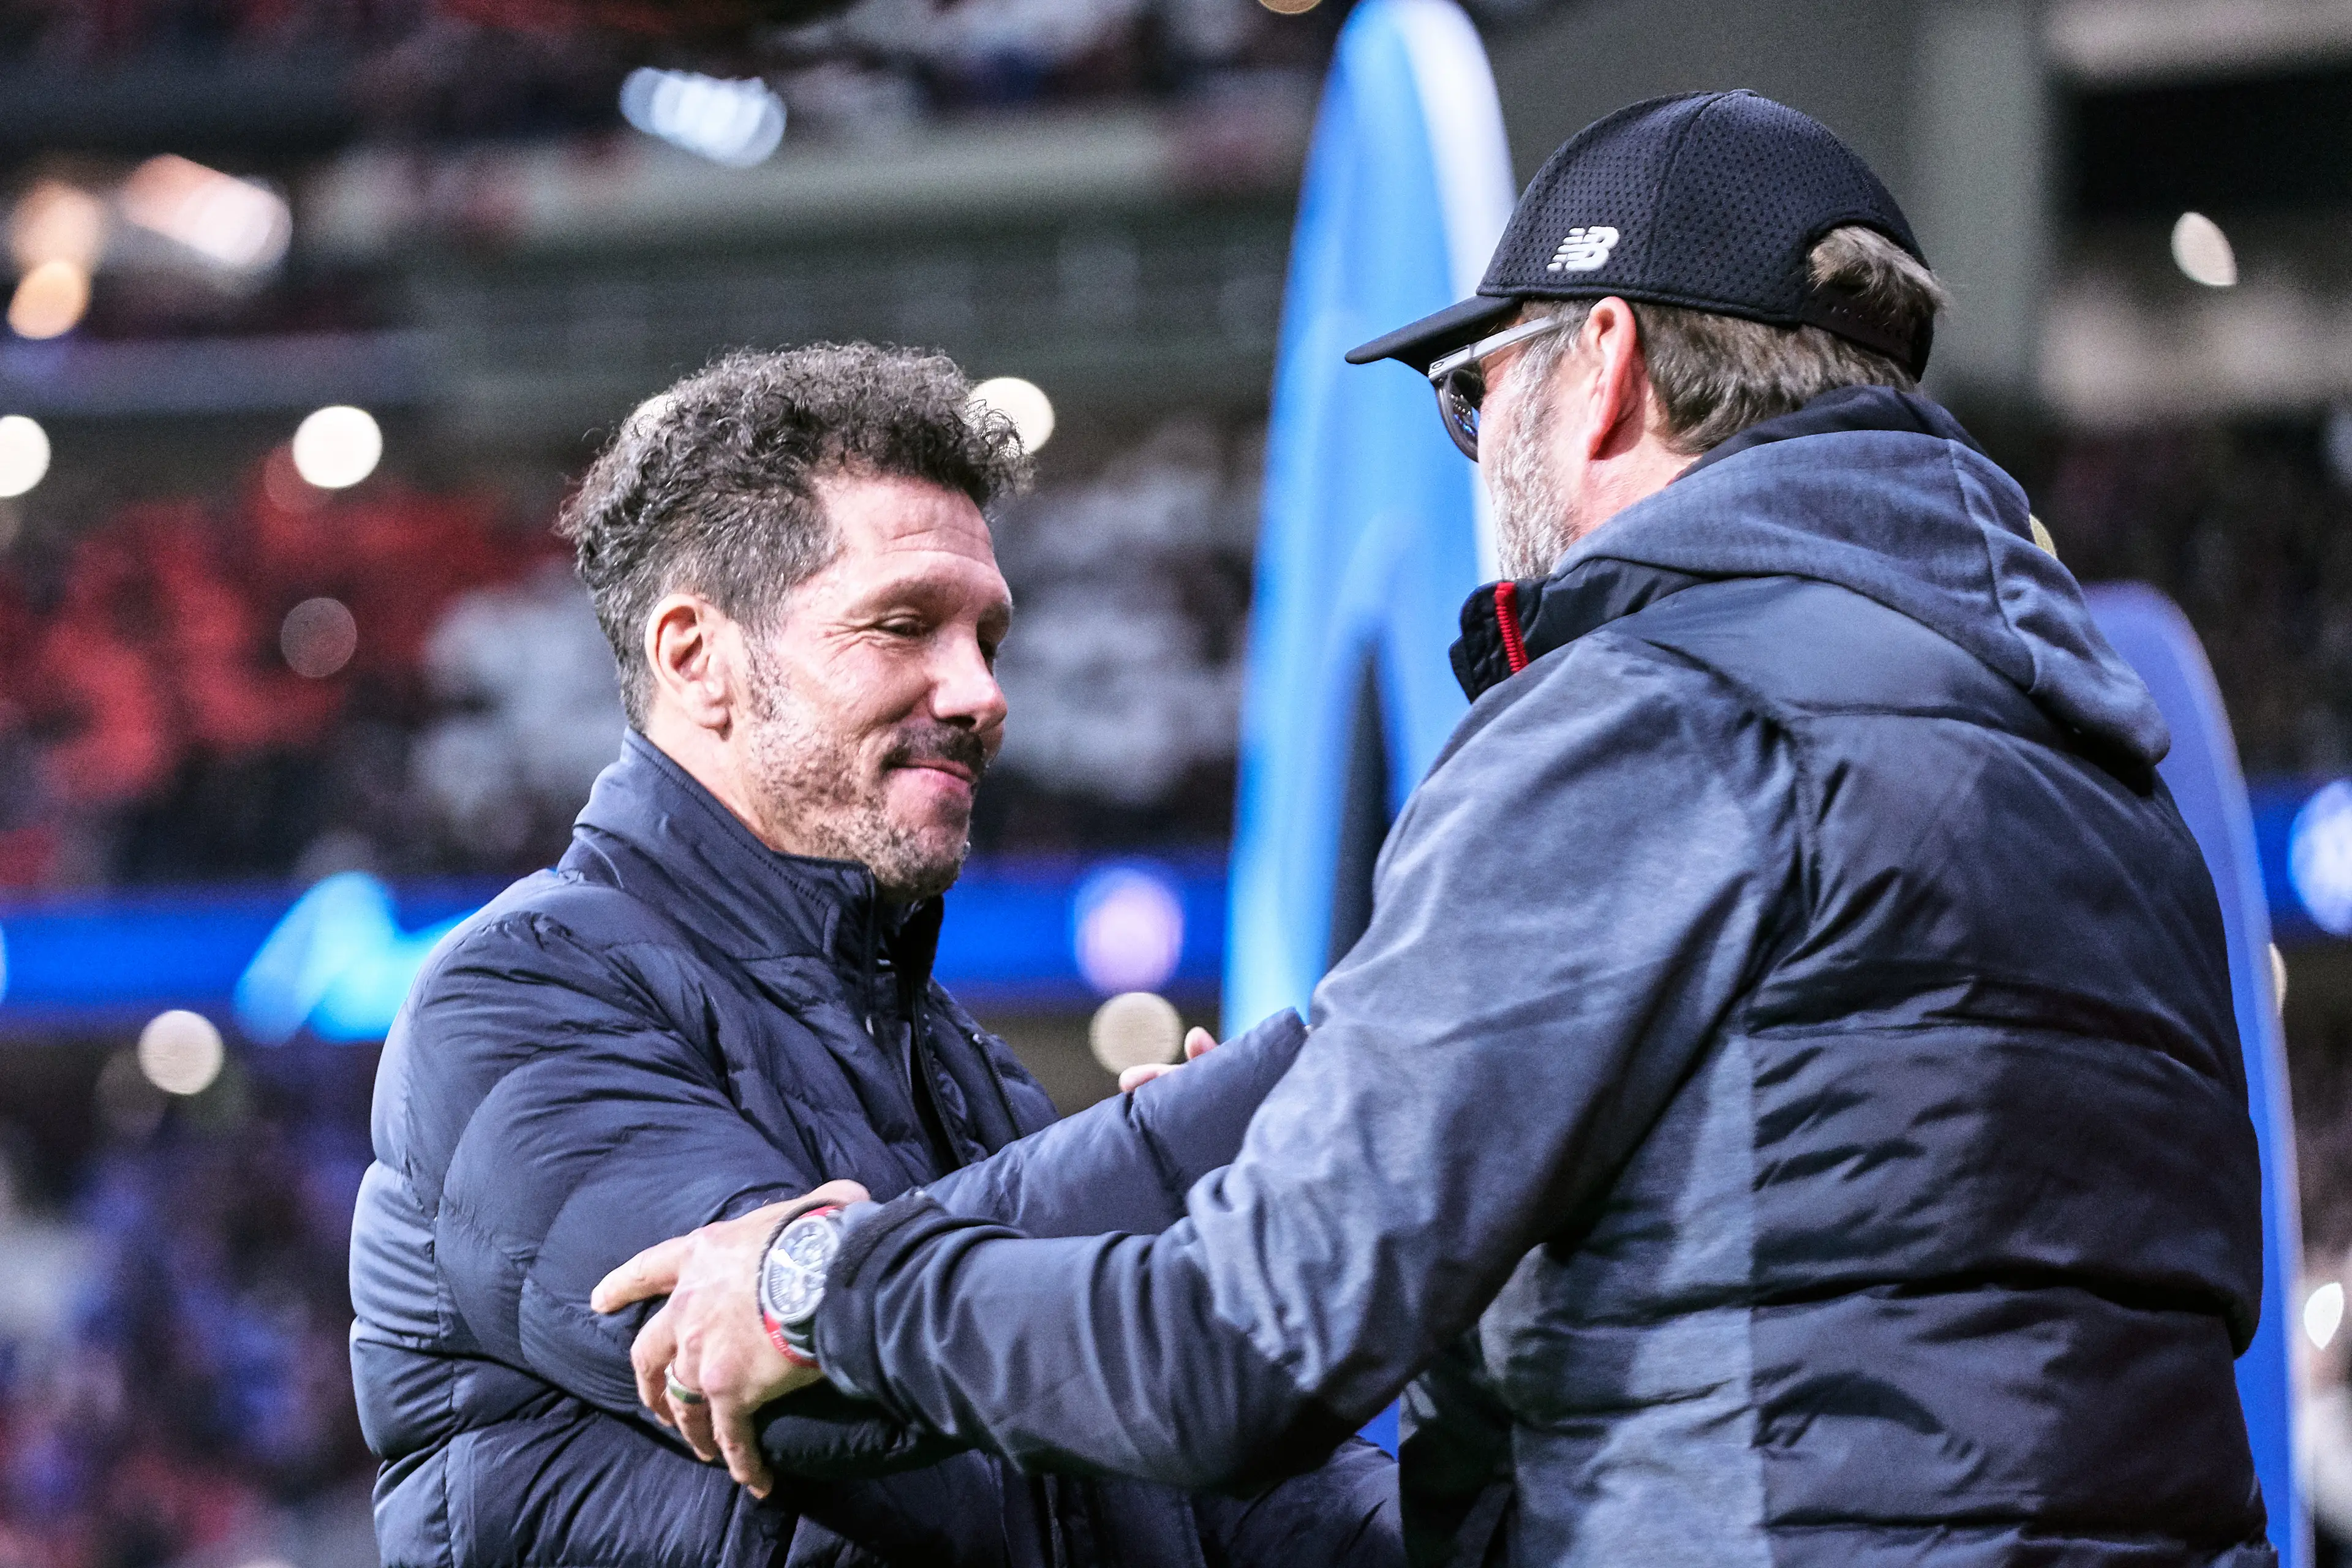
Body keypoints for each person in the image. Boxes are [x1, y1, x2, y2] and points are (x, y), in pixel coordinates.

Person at [599, 92, 2277, 1567]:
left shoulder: (1646, 714)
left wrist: (827, 1285)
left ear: (1604, 365)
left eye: (1476, 397)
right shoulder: (2095, 766)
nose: (1480, 455)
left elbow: (1236, 1348)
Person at [346, 343, 1396, 1568]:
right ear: (697, 659)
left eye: (987, 639)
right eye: (905, 625)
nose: (983, 693)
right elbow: (803, 1376)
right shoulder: (521, 998)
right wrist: (1274, 1115)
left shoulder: (967, 1075)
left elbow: (1191, 1492)